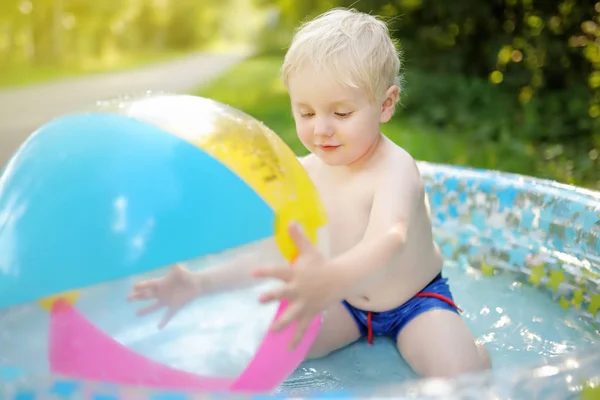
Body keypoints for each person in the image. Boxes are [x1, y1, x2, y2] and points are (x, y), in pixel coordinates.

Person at [128, 7, 491, 378]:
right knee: (263, 345)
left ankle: (473, 355)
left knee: (460, 378)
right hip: (346, 305)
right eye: (306, 113)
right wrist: (201, 282)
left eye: (342, 113)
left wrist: (330, 277)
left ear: (385, 104)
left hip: (414, 301)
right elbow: (272, 253)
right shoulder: (303, 173)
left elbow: (390, 237)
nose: (322, 130)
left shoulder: (395, 168)